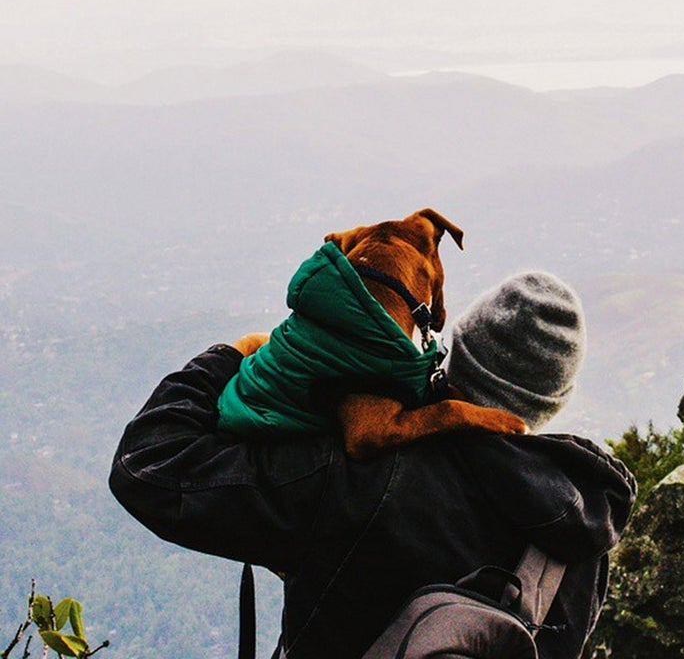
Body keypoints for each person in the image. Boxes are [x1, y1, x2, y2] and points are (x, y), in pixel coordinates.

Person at [109, 271, 636, 659]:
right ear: (552, 402)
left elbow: (149, 464)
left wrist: (236, 354)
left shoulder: (365, 476)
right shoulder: (582, 538)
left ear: (451, 357)